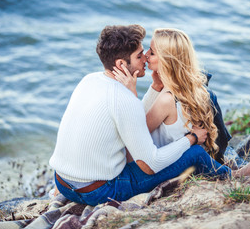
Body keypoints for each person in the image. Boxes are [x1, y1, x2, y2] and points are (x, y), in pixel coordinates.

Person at [49, 24, 214, 206]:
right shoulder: (125, 100)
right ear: (121, 64)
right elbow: (151, 165)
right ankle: (234, 175)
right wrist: (191, 139)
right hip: (97, 192)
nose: (145, 58)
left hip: (63, 183)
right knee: (196, 153)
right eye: (139, 55)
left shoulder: (89, 80)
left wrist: (154, 88)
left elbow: (131, 119)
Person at [113, 28, 250, 180]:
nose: (146, 55)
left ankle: (235, 174)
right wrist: (155, 87)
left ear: (167, 60)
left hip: (165, 163)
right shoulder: (192, 92)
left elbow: (135, 133)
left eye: (152, 52)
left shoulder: (166, 100)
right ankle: (224, 160)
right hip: (183, 156)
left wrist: (131, 94)